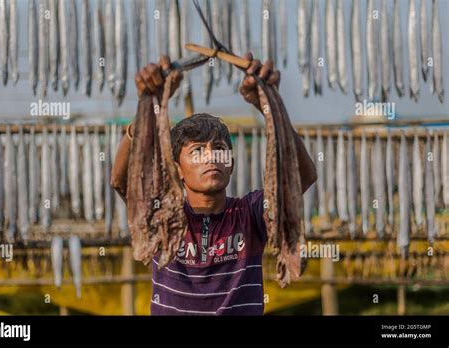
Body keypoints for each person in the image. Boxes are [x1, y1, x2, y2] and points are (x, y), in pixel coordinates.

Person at [111, 54, 317, 315]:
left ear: (230, 163)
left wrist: (269, 105)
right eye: (197, 151)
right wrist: (148, 104)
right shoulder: (163, 216)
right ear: (178, 170)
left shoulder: (250, 213)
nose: (211, 157)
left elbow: (302, 178)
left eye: (219, 149)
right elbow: (121, 180)